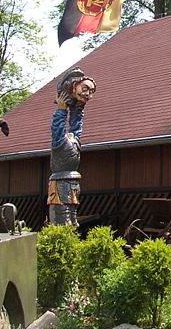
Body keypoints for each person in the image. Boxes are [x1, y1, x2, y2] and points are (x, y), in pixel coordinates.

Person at [48, 67, 96, 226]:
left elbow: (76, 126)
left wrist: (78, 109)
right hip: (60, 183)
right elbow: (57, 129)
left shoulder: (74, 139)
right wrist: (61, 110)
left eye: (91, 91)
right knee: (63, 221)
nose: (89, 94)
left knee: (73, 222)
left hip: (73, 183)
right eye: (85, 89)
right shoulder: (60, 142)